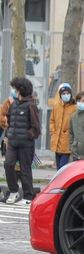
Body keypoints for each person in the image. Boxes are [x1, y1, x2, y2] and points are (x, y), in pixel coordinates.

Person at [3, 77, 41, 206]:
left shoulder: (31, 105)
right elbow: (8, 118)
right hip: (13, 142)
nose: (14, 91)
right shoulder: (13, 104)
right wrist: (9, 133)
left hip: (26, 144)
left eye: (15, 88)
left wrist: (27, 135)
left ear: (20, 90)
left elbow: (36, 126)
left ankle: (28, 196)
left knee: (25, 170)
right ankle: (13, 191)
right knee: (8, 164)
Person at [49, 83, 77, 170]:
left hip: (67, 142)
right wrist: (53, 132)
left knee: (63, 166)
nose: (66, 95)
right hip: (57, 140)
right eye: (63, 94)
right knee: (58, 166)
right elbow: (52, 121)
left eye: (67, 93)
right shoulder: (56, 107)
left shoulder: (74, 108)